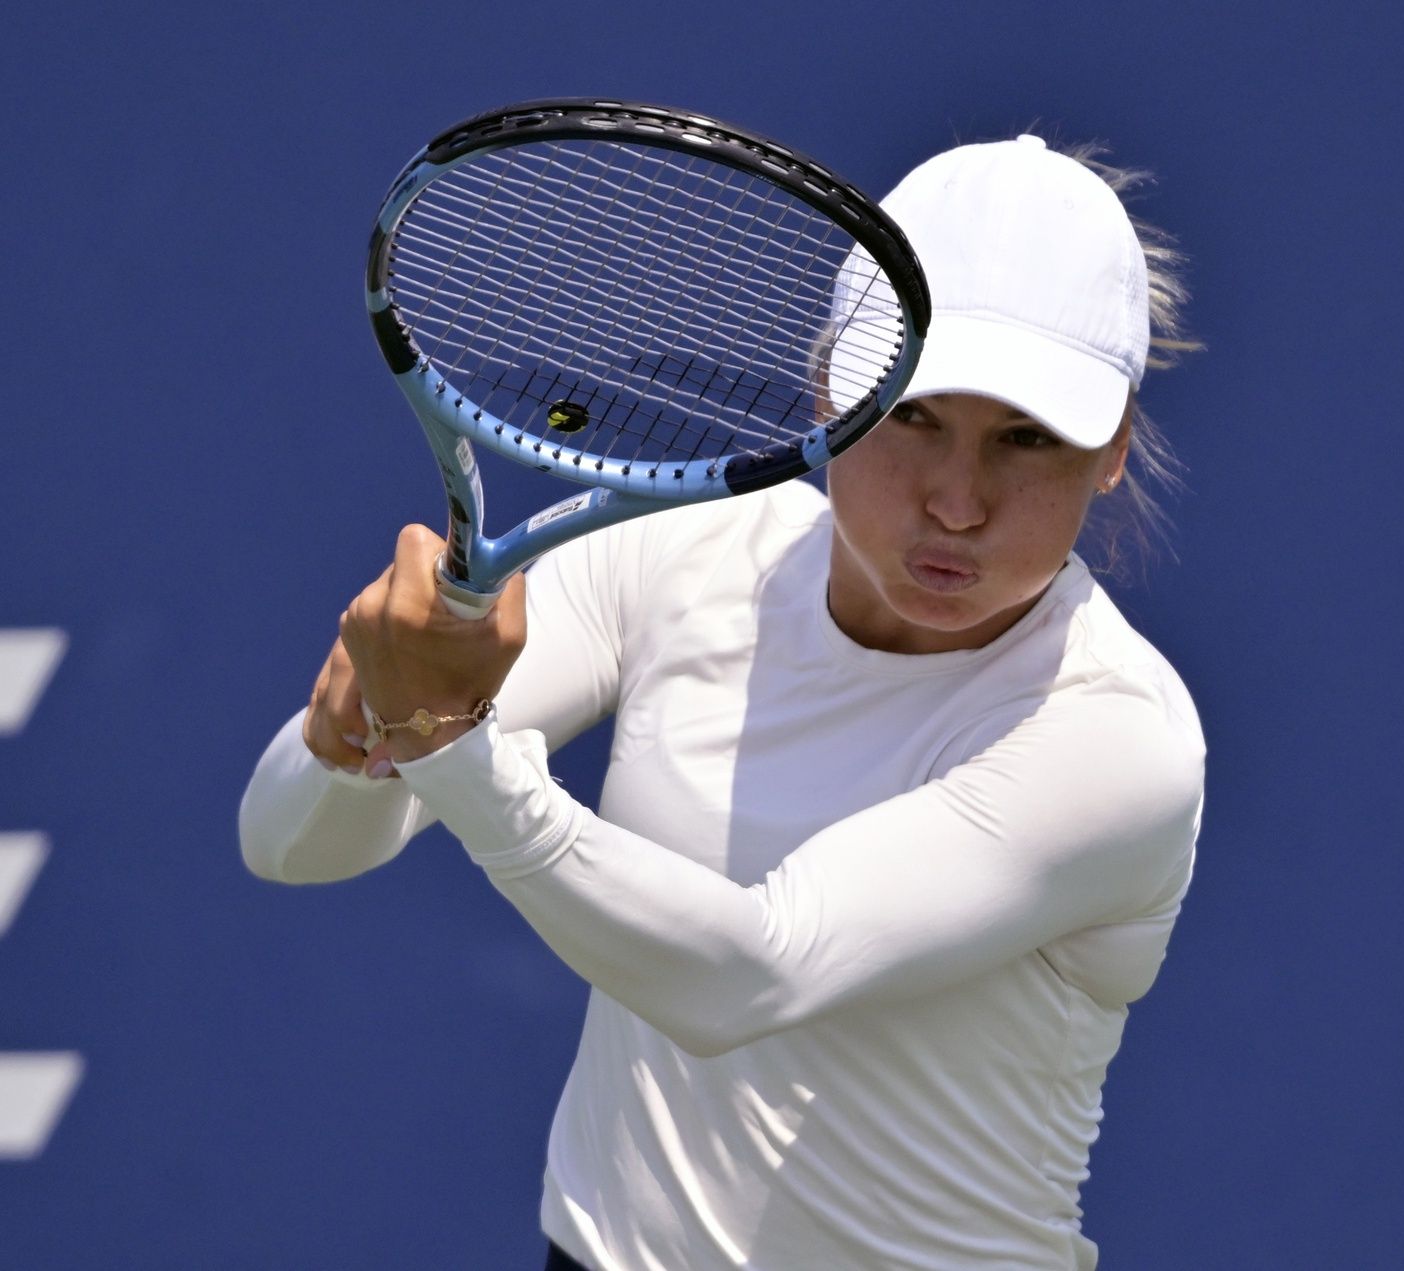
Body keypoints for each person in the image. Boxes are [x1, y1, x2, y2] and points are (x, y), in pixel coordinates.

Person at [240, 132, 1207, 1271]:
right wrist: (360, 733)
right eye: (913, 416)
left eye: (1026, 439)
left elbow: (760, 969)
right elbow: (289, 843)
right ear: (829, 393)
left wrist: (448, 739)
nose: (957, 500)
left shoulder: (1114, 737)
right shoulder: (684, 558)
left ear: (1112, 449)